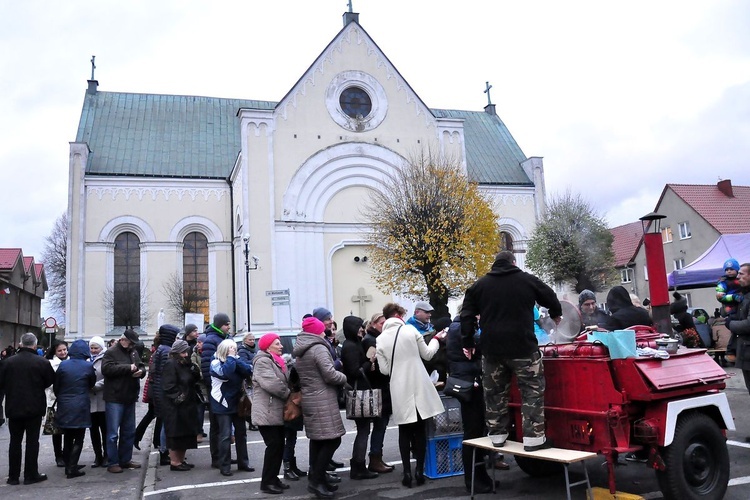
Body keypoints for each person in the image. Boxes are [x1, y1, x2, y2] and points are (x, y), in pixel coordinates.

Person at [460, 251, 562, 451]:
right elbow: (550, 296)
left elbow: (466, 315)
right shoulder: (526, 280)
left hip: (492, 350)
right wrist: (556, 314)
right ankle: (533, 439)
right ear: (513, 263)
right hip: (524, 347)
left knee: (494, 393)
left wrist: (468, 341)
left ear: (494, 264)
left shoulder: (479, 285)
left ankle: (497, 435)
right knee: (531, 391)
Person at [376, 303, 447, 488]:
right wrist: (437, 339)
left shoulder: (381, 339)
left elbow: (384, 370)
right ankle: (419, 471)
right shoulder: (410, 330)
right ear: (398, 315)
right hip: (418, 385)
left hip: (399, 388)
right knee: (420, 430)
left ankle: (406, 472)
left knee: (404, 432)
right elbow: (429, 354)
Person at [293, 316, 348, 499]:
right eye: (323, 328)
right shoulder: (318, 348)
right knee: (332, 440)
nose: (326, 330)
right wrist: (344, 377)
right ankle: (316, 481)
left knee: (318, 440)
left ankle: (318, 480)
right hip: (322, 398)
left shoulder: (303, 348)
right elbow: (330, 374)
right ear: (318, 331)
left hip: (311, 398)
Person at [446, 314, 498, 493]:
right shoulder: (461, 328)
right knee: (473, 434)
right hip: (469, 384)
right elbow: (484, 343)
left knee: (475, 433)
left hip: (468, 382)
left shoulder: (457, 326)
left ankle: (481, 477)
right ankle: (474, 481)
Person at [0, 332, 55, 486]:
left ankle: (13, 476)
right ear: (35, 345)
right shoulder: (42, 363)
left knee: (14, 442)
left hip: (14, 406)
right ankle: (31, 474)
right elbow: (49, 381)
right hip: (34, 407)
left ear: (21, 344)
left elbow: (2, 383)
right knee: (32, 442)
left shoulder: (7, 362)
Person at [101, 329, 146, 473]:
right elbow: (106, 369)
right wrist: (128, 368)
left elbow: (140, 365)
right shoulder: (111, 352)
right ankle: (113, 462)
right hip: (115, 397)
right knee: (113, 433)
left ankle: (125, 459)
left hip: (129, 396)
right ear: (123, 340)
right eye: (131, 342)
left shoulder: (133, 352)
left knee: (128, 431)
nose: (133, 345)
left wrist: (141, 372)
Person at [340, 315, 379, 480]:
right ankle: (358, 466)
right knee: (363, 431)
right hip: (359, 392)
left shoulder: (354, 343)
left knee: (364, 430)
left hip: (360, 391)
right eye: (358, 326)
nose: (362, 329)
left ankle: (358, 465)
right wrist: (369, 360)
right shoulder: (350, 346)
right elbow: (355, 371)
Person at [252, 333, 291, 494]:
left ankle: (273, 478)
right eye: (277, 344)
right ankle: (267, 482)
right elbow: (272, 384)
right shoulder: (262, 362)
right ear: (268, 347)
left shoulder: (276, 361)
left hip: (274, 411)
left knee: (278, 446)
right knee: (273, 446)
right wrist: (289, 394)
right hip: (266, 412)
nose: (281, 346)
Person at [209, 338, 253, 477]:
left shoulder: (234, 359)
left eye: (235, 349)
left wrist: (235, 358)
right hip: (222, 402)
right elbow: (226, 373)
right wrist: (231, 358)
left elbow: (247, 370)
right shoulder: (215, 362)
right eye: (231, 349)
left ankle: (243, 462)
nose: (234, 351)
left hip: (237, 402)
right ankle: (224, 465)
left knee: (241, 434)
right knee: (225, 435)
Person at [54, 339, 96, 478]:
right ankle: (72, 468)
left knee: (67, 436)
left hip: (64, 404)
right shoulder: (88, 366)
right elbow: (92, 383)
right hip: (81, 404)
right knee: (79, 437)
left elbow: (56, 386)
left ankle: (68, 464)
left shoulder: (63, 365)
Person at [360, 312, 395, 474]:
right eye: (381, 323)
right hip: (378, 390)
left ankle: (377, 458)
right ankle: (375, 458)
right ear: (373, 324)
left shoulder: (374, 339)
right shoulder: (371, 341)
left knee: (381, 426)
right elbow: (374, 367)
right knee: (379, 426)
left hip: (380, 389)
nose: (384, 326)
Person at [161, 339, 201, 471]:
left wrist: (194, 370)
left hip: (188, 404)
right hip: (175, 406)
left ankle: (181, 460)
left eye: (186, 352)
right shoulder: (170, 364)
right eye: (183, 352)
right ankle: (175, 461)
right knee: (176, 433)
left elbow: (193, 380)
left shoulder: (185, 364)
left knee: (186, 434)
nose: (186, 354)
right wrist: (179, 397)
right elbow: (168, 385)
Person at [201, 312, 233, 468]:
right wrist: (212, 386)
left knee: (224, 425)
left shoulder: (225, 339)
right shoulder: (211, 340)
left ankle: (225, 455)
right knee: (216, 424)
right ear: (220, 325)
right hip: (216, 387)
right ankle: (217, 457)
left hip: (226, 386)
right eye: (226, 324)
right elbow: (206, 366)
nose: (229, 327)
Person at [152, 324, 180, 465]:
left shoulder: (161, 349)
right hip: (163, 393)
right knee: (166, 424)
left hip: (159, 391)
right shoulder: (166, 351)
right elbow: (167, 374)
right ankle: (164, 452)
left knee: (165, 423)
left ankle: (166, 451)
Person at [725, 263, 750, 400]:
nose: (738, 276)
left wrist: (731, 323)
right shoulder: (743, 296)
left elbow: (748, 324)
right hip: (746, 352)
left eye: (742, 274)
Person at [45, 339, 68, 467]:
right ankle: (58, 456)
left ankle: (67, 454)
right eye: (60, 350)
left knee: (69, 430)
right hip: (54, 401)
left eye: (64, 349)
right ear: (54, 351)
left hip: (68, 401)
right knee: (56, 432)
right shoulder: (50, 364)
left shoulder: (70, 361)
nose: (63, 352)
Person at [717, 258, 743, 360]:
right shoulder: (723, 282)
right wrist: (733, 297)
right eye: (727, 269)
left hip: (741, 307)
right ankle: (731, 351)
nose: (729, 271)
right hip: (731, 309)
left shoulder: (741, 280)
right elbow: (720, 296)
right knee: (736, 329)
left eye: (731, 269)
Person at [88, 336, 108, 468]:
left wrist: (95, 386)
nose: (94, 350)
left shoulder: (106, 359)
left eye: (96, 348)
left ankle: (107, 455)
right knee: (93, 431)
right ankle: (97, 456)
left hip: (102, 399)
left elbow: (108, 377)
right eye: (92, 348)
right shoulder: (87, 359)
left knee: (105, 430)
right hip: (90, 401)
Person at [238, 332, 259, 431]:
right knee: (250, 401)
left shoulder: (253, 350)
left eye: (253, 339)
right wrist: (255, 361)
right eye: (250, 339)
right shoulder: (242, 350)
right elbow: (243, 363)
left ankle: (253, 421)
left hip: (254, 377)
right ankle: (251, 422)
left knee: (254, 401)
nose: (252, 341)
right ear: (245, 340)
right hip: (248, 379)